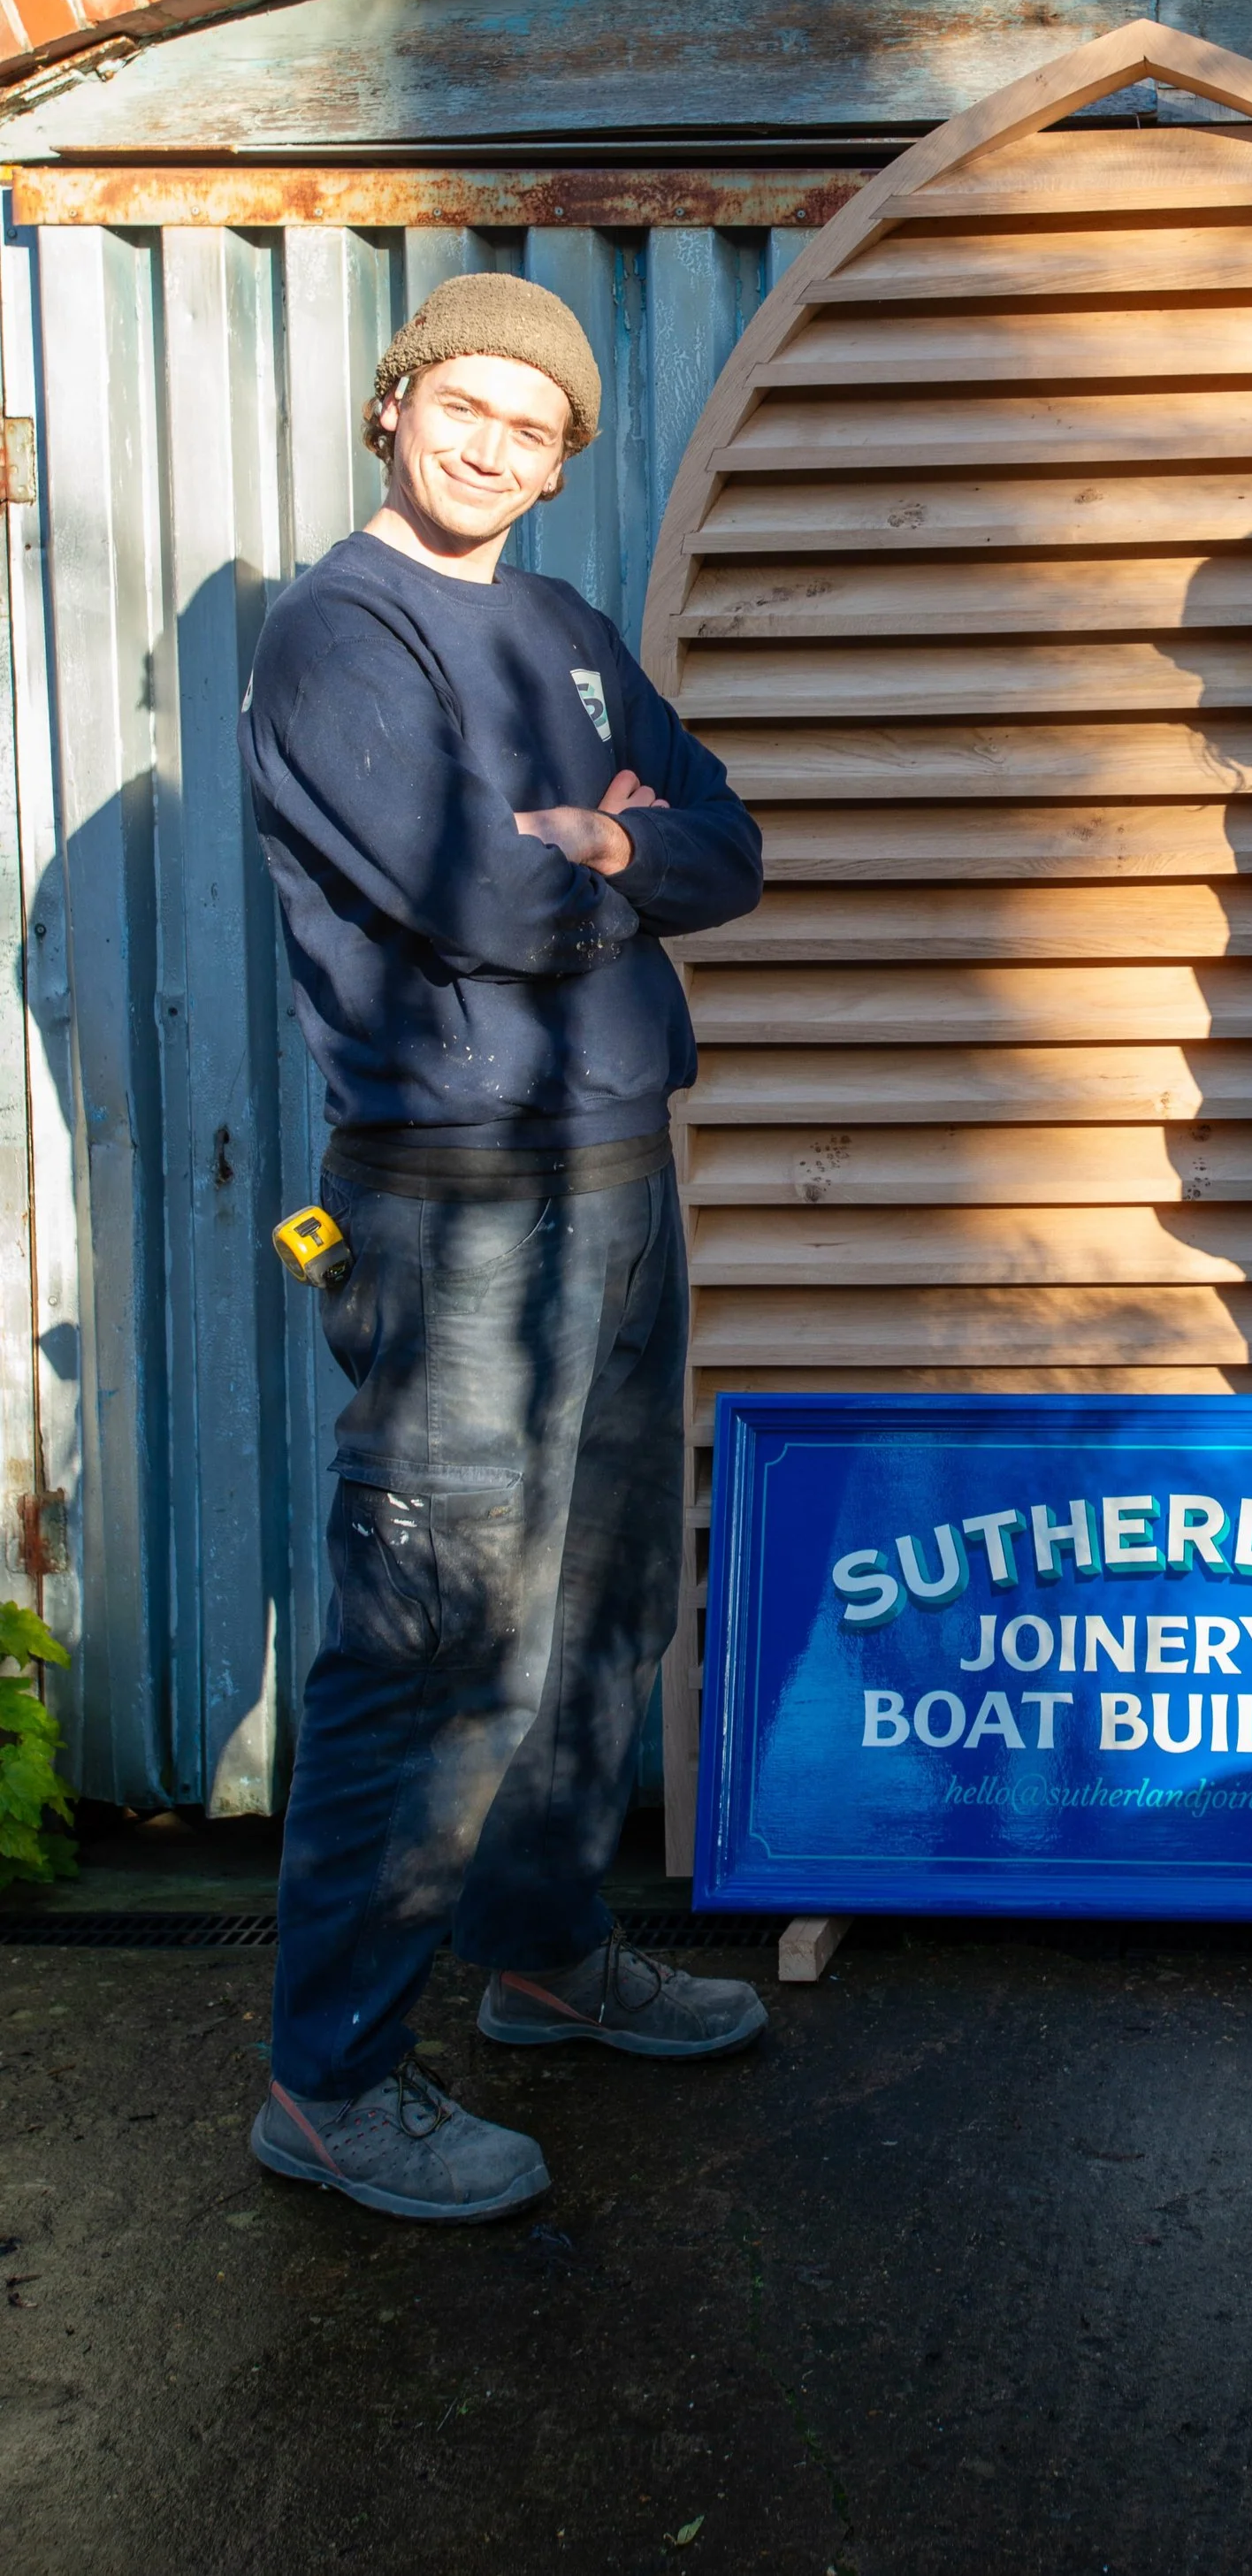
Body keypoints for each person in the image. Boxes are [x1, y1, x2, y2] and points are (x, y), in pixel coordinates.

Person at [237, 273, 767, 2223]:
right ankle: (330, 2072)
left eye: (533, 428)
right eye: (465, 405)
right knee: (435, 1634)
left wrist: (609, 838)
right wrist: (584, 861)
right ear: (395, 406)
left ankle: (546, 1954)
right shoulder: (336, 631)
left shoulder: (557, 622)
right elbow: (479, 901)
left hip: (620, 1176)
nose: (494, 446)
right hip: (456, 1209)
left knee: (605, 1602)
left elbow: (723, 841)